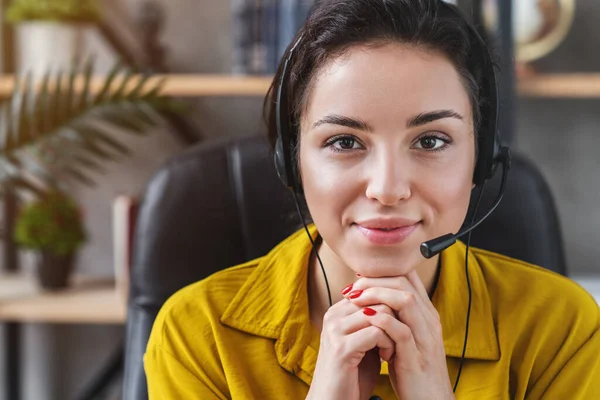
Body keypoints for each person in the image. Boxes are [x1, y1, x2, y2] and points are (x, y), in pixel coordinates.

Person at [144, 0, 600, 399]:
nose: (386, 188)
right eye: (345, 142)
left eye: (431, 141)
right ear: (292, 160)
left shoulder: (563, 331)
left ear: (480, 159)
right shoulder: (197, 335)